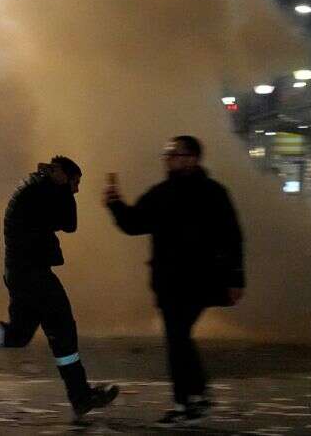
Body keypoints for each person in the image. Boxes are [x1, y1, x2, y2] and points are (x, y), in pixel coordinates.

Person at [0, 156, 118, 420]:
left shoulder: (37, 187)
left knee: (18, 334)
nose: (76, 189)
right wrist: (62, 187)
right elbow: (70, 223)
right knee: (62, 328)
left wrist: (59, 184)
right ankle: (80, 396)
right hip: (33, 273)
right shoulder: (43, 190)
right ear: (62, 174)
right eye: (75, 182)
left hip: (21, 273)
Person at [103, 135, 245, 425]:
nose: (169, 159)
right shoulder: (161, 193)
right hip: (169, 280)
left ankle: (185, 403)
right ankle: (197, 396)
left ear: (193, 158)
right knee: (180, 338)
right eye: (167, 154)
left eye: (175, 154)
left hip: (200, 278)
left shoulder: (213, 194)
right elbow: (135, 223)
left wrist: (235, 278)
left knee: (178, 337)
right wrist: (116, 204)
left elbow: (232, 237)